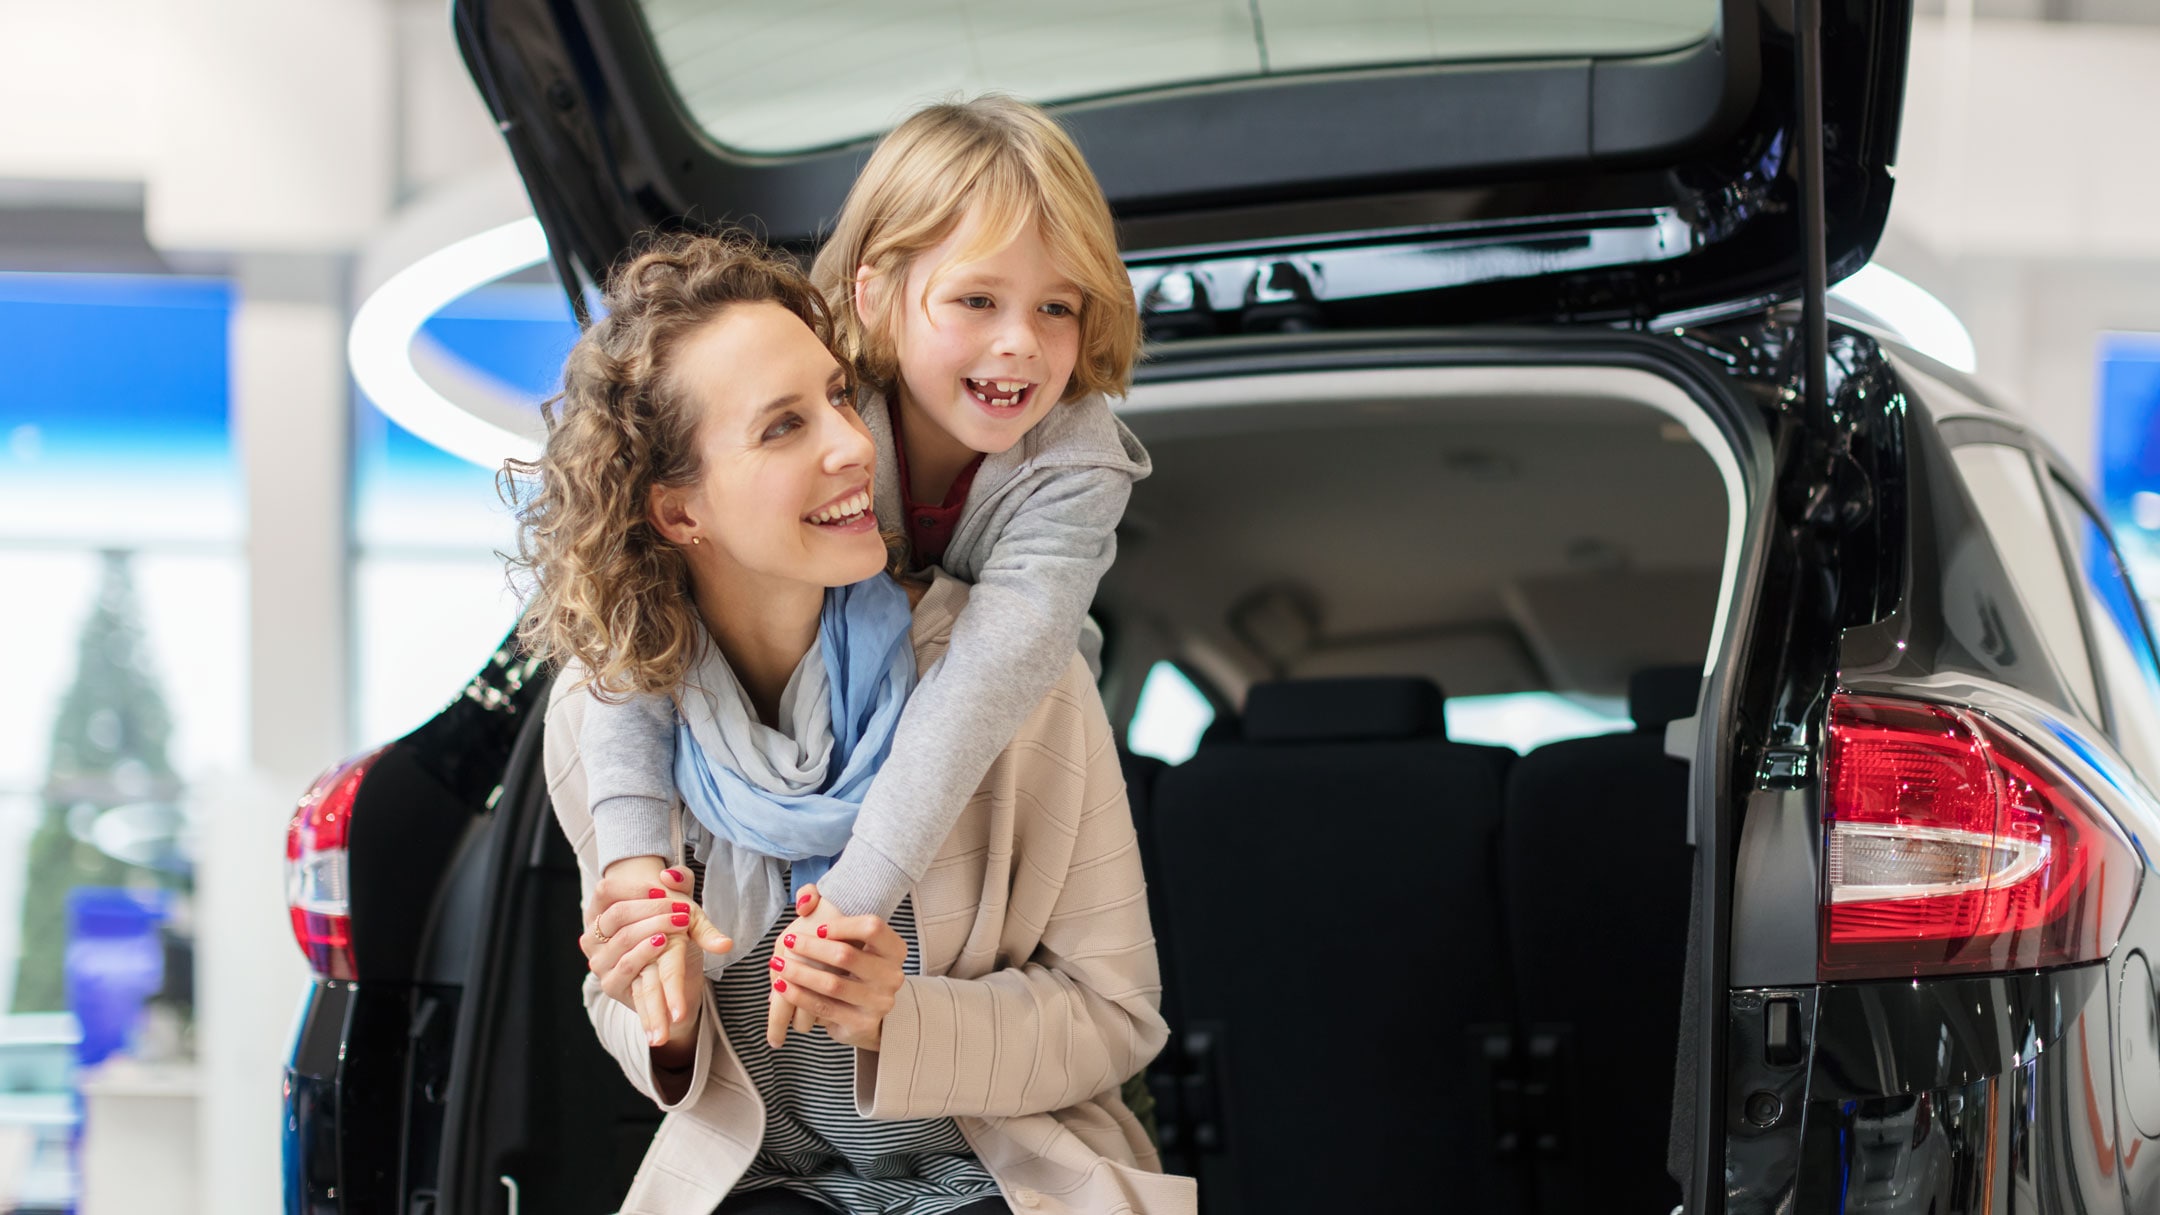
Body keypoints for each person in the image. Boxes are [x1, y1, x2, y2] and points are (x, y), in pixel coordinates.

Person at [512, 235, 1188, 1215]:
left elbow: (1116, 1019)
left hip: (1004, 1185)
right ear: (678, 511)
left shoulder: (1012, 686)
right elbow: (628, 1016)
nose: (852, 445)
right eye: (784, 426)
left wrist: (898, 1017)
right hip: (768, 1189)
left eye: (837, 397)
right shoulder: (601, 716)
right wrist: (661, 1021)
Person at [573, 95, 1148, 1049]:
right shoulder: (820, 402)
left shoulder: (1077, 465)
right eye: (977, 300)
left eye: (1057, 306)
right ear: (874, 296)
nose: (1020, 341)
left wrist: (847, 904)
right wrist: (633, 857)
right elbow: (633, 619)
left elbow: (986, 682)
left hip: (994, 745)